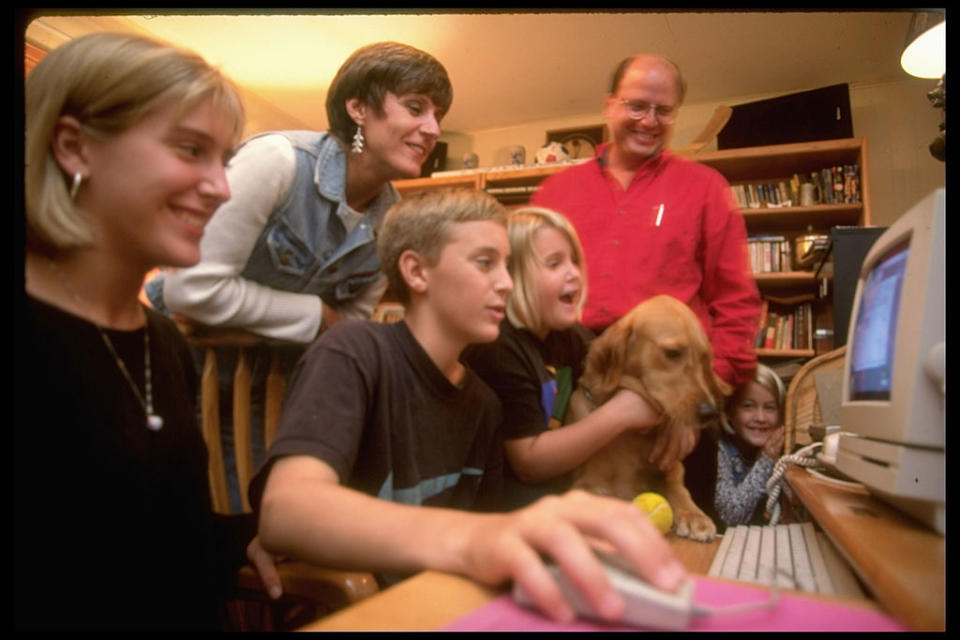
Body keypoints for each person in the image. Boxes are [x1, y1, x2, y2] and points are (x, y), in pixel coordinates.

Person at [249, 189, 688, 625]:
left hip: (450, 605)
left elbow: (489, 530)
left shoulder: (482, 402)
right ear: (417, 272)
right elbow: (286, 512)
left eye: (508, 266)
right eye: (485, 263)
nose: (507, 283)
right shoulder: (353, 351)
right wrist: (475, 539)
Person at [17, 32, 280, 630]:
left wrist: (245, 541)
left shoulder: (164, 341)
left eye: (225, 161)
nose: (222, 188)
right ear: (73, 147)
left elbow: (153, 541)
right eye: (191, 150)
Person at [146, 41, 453, 510]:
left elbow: (348, 329)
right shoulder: (278, 161)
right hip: (171, 379)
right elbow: (193, 290)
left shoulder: (393, 221)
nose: (432, 129)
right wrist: (316, 314)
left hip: (268, 396)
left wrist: (325, 326)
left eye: (438, 115)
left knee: (251, 525)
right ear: (358, 108)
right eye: (415, 108)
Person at [531, 53, 761, 391]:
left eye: (663, 110)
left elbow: (736, 302)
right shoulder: (556, 191)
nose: (650, 121)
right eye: (636, 106)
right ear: (609, 106)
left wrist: (705, 389)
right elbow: (525, 289)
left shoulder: (707, 188)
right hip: (569, 376)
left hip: (673, 383)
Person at [462, 206, 682, 509]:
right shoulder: (498, 348)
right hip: (507, 517)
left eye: (575, 261)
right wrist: (622, 413)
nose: (574, 273)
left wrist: (677, 416)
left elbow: (625, 375)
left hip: (561, 505)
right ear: (514, 276)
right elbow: (529, 462)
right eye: (555, 263)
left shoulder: (570, 337)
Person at [684, 364, 786, 533]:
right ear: (730, 412)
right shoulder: (718, 450)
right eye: (748, 406)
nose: (760, 417)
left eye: (769, 408)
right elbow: (729, 516)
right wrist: (766, 460)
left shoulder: (784, 450)